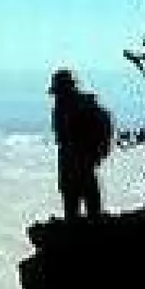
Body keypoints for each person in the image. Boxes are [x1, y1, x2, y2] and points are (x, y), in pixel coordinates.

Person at [49, 68, 112, 221]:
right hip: (78, 159)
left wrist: (96, 152)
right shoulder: (81, 105)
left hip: (79, 158)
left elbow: (63, 135)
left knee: (80, 199)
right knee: (83, 198)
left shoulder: (79, 106)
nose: (57, 96)